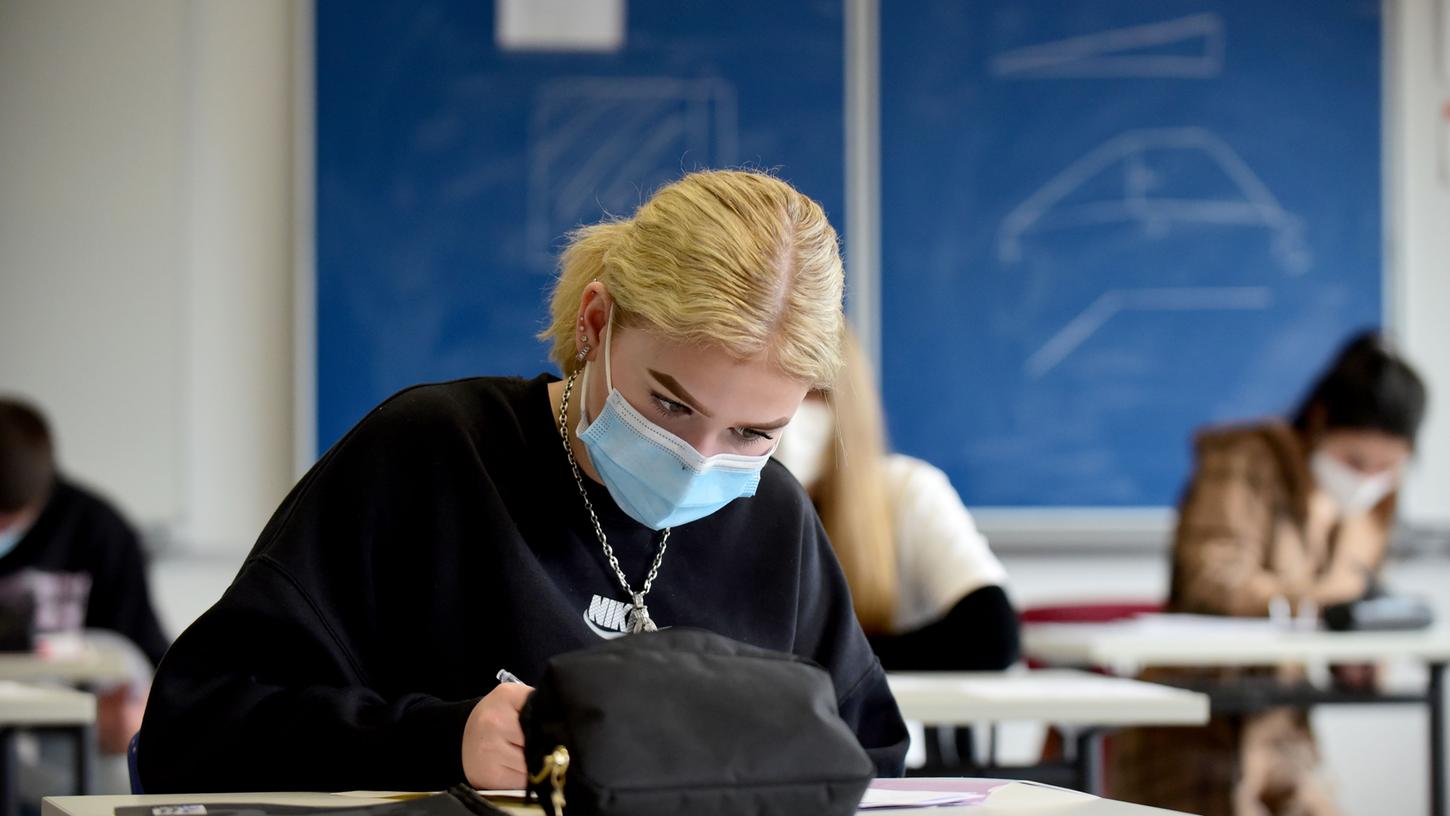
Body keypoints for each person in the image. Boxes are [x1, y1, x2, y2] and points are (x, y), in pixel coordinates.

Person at [138, 170, 909, 793]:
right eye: (670, 403)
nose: (701, 457)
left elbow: (869, 751)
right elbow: (196, 726)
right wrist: (442, 740)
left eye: (753, 433)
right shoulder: (433, 455)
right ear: (596, 324)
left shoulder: (773, 518)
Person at [1112, 331, 1428, 816]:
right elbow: (1210, 579)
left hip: (1282, 724)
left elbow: (1356, 593)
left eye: (1385, 466)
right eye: (1353, 460)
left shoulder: (1374, 502)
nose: (1367, 479)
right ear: (1320, 421)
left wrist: (1355, 653)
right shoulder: (1244, 459)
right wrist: (1321, 602)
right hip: (1198, 717)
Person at [772, 331, 1019, 671]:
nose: (790, 413)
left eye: (813, 393)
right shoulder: (715, 499)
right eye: (775, 388)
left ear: (847, 402)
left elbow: (991, 634)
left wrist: (829, 662)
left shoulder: (907, 490)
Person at [0, 398, 169, 754]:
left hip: (55, 751)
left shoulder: (99, 531)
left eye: (10, 521)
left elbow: (148, 657)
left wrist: (133, 714)